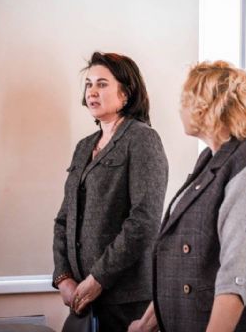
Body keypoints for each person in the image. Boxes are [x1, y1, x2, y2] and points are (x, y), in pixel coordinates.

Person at [129, 61, 246, 332]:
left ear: (206, 105)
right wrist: (145, 325)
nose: (180, 109)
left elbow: (235, 280)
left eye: (185, 100)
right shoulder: (210, 158)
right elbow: (184, 263)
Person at [52, 52, 168, 331]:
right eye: (89, 84)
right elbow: (64, 219)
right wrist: (63, 277)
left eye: (102, 84)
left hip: (126, 301)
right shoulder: (84, 146)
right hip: (83, 299)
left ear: (125, 93)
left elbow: (144, 221)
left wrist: (98, 279)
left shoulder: (142, 139)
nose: (92, 92)